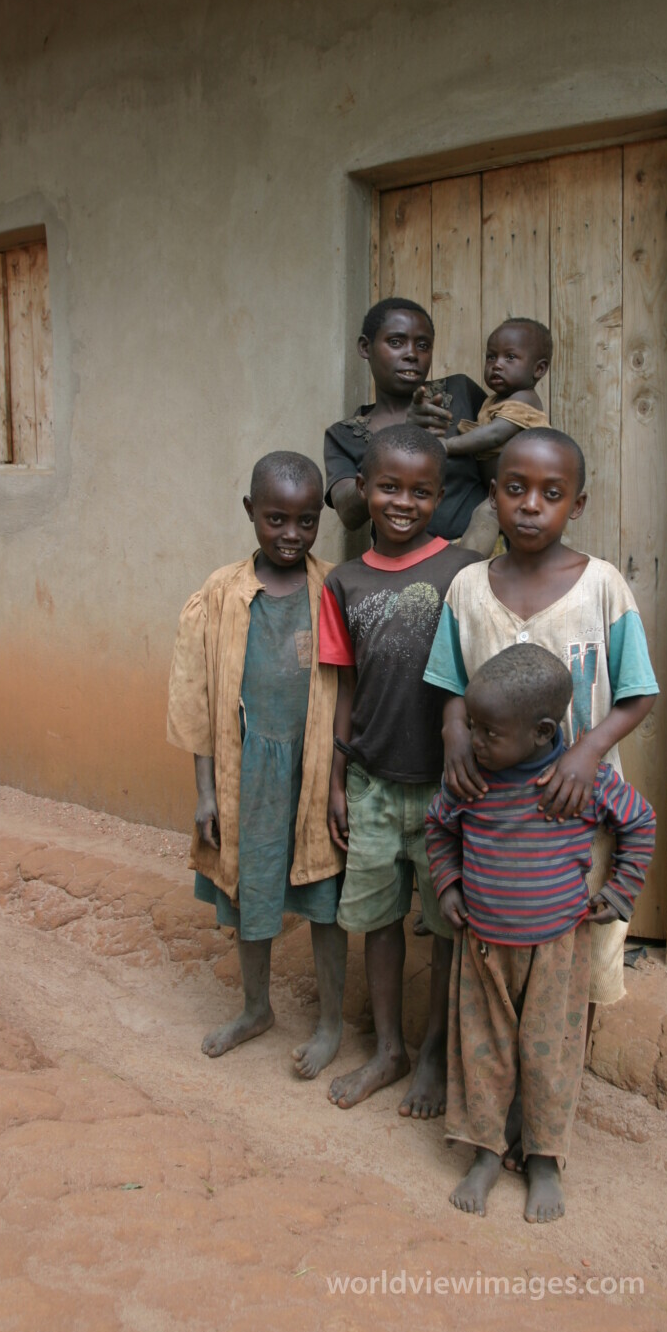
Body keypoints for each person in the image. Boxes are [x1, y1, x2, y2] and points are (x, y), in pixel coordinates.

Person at [424, 427, 659, 1158]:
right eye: (515, 489)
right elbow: (449, 687)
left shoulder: (602, 587)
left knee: (575, 966)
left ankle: (547, 1110)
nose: (530, 507)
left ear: (576, 504)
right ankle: (492, 1104)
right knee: (488, 954)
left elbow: (638, 694)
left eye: (551, 495)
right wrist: (455, 735)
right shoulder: (468, 588)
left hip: (578, 813)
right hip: (494, 817)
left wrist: (589, 751)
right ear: (492, 495)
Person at [426, 643, 656, 1223]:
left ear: (542, 732)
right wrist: (449, 884)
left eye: (487, 732)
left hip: (557, 948)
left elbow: (641, 824)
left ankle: (544, 1161)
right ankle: (483, 1153)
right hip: (482, 948)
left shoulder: (579, 782)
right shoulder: (473, 781)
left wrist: (621, 892)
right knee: (483, 1052)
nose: (472, 740)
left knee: (549, 1056)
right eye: (471, 726)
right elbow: (438, 828)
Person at [166, 452, 347, 1078]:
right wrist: (207, 791)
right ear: (250, 513)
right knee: (251, 889)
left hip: (317, 769)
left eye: (305, 522)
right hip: (249, 774)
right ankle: (254, 1008)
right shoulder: (219, 595)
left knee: (324, 896)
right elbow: (197, 702)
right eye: (275, 520)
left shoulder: (334, 590)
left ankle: (330, 1024)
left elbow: (349, 690)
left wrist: (341, 779)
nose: (291, 536)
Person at [318, 424, 480, 1116]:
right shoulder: (343, 580)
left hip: (447, 788)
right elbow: (343, 687)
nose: (403, 503)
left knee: (446, 929)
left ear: (439, 498)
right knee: (378, 922)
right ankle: (389, 1048)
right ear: (362, 490)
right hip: (374, 781)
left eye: (420, 492)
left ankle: (435, 1056)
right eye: (388, 487)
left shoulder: (465, 572)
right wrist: (335, 778)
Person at [323, 297, 494, 551]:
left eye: (423, 345)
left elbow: (501, 470)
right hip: (400, 569)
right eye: (396, 342)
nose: (412, 354)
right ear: (365, 347)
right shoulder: (345, 434)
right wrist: (405, 434)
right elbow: (349, 514)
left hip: (477, 559)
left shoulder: (460, 393)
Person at [448, 317, 552, 553]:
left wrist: (448, 445)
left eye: (510, 357)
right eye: (491, 357)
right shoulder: (494, 401)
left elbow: (494, 435)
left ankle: (466, 570)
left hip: (524, 489)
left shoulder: (525, 399)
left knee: (485, 515)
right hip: (505, 489)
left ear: (539, 369)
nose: (497, 364)